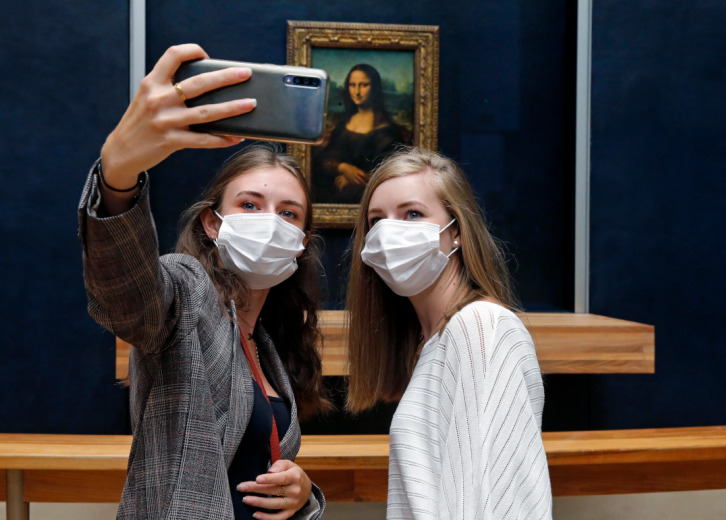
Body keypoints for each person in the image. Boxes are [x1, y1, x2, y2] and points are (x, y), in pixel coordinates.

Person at [78, 44, 330, 520]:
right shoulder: (187, 291)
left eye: (288, 213)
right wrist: (118, 173)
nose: (269, 221)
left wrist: (302, 494)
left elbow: (251, 464)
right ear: (213, 223)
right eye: (249, 205)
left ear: (301, 241)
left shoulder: (270, 342)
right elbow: (127, 299)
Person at [345, 147, 553, 519]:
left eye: (412, 214)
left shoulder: (480, 328)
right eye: (376, 221)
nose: (389, 232)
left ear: (455, 230)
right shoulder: (436, 339)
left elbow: (493, 502)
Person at [312, 64, 404, 204]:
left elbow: (392, 174)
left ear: (374, 88)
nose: (357, 92)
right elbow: (324, 159)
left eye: (364, 85)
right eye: (352, 85)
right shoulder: (343, 124)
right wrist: (343, 168)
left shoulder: (386, 131)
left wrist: (354, 180)